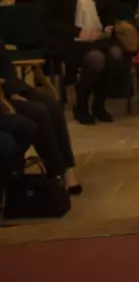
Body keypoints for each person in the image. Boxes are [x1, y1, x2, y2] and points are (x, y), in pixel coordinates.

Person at [42, 0, 125, 125]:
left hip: (96, 36)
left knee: (116, 54)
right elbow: (49, 19)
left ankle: (99, 103)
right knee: (96, 59)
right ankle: (81, 103)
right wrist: (78, 32)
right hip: (68, 39)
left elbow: (107, 9)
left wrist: (107, 26)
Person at [0, 39, 81, 193]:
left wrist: (12, 89)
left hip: (8, 85)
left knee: (52, 105)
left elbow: (3, 60)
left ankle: (68, 168)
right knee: (38, 111)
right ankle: (56, 172)